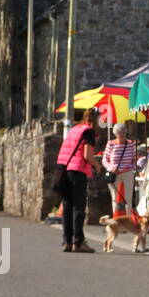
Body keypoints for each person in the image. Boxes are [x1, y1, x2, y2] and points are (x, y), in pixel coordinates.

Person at [56, 108, 103, 253]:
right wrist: (97, 165)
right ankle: (78, 242)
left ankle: (67, 242)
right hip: (78, 171)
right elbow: (87, 155)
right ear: (95, 119)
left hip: (64, 169)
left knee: (68, 206)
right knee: (79, 207)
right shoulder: (88, 131)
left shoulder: (75, 129)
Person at [102, 123, 138, 220]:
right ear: (115, 133)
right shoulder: (111, 144)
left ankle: (129, 221)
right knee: (114, 198)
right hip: (114, 173)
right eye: (119, 132)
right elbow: (104, 160)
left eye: (123, 132)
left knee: (128, 199)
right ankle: (116, 221)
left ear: (126, 132)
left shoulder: (131, 144)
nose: (121, 134)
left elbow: (134, 160)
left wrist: (130, 167)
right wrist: (111, 167)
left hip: (127, 173)